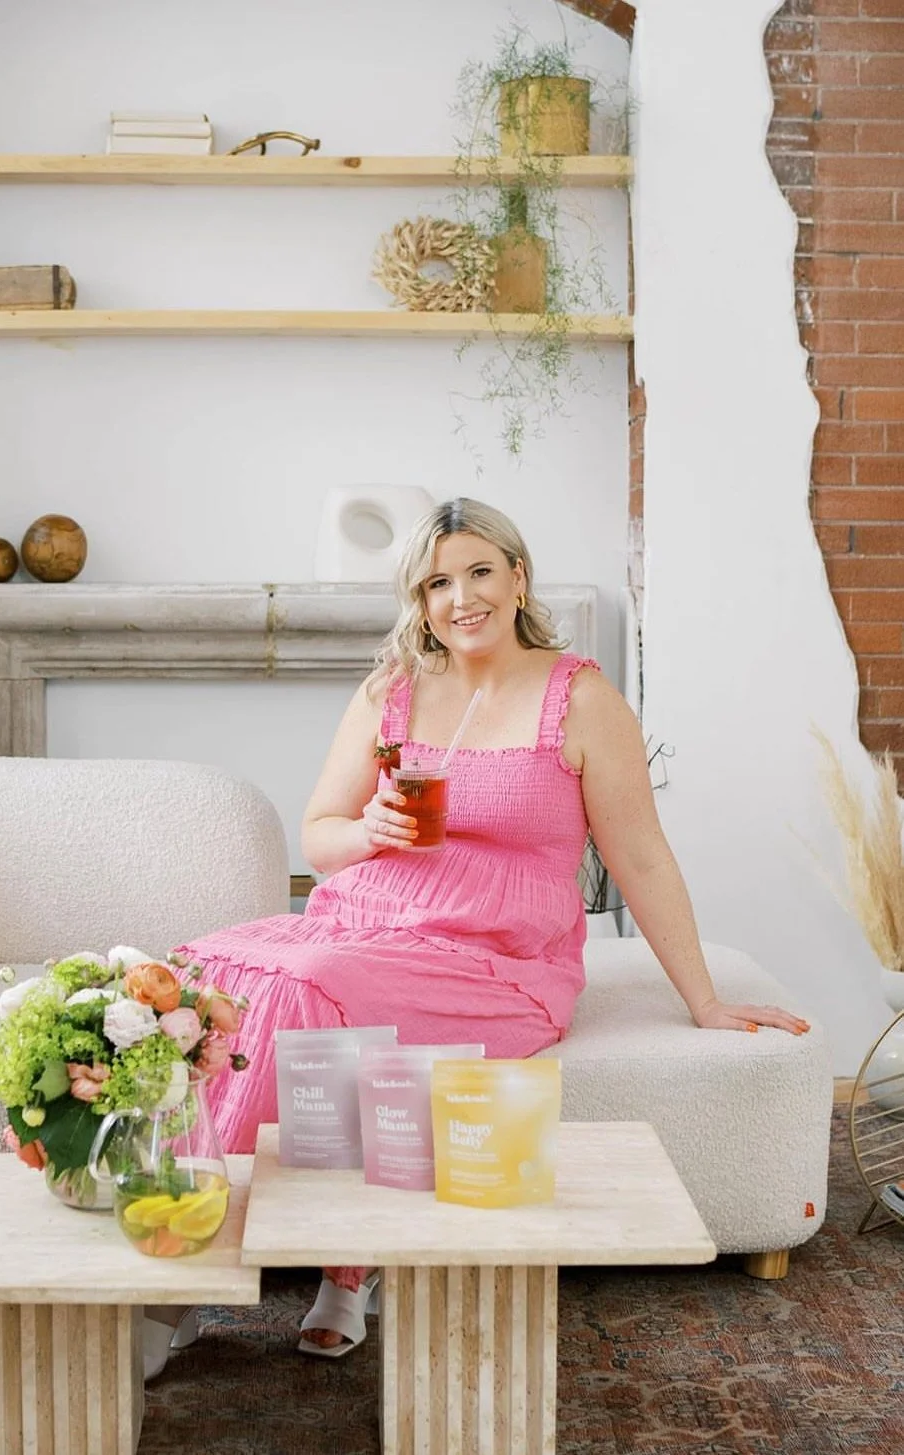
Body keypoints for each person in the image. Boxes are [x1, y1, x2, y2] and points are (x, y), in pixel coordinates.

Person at [155, 496, 810, 1366]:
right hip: (364, 925)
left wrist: (705, 997)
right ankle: (226, 1265)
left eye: (478, 572)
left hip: (497, 958)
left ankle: (246, 1279)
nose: (460, 597)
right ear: (419, 599)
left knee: (308, 979)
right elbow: (320, 831)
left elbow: (643, 857)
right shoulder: (392, 687)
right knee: (215, 980)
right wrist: (369, 833)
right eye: (437, 581)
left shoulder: (581, 699)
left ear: (518, 577)